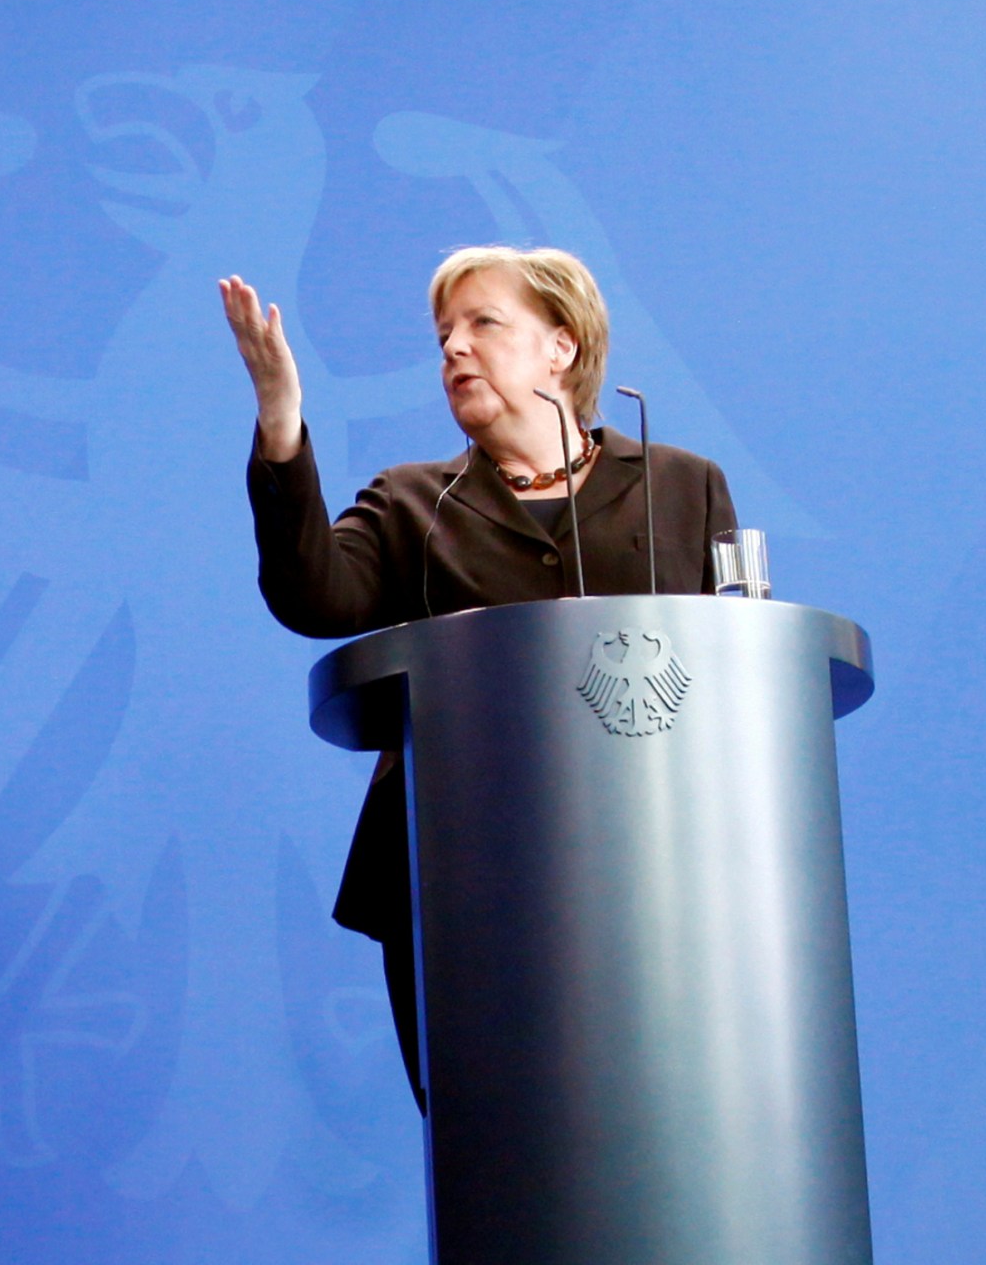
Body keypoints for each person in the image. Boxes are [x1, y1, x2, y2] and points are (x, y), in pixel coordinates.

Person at [221, 245, 735, 1111]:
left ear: (562, 346)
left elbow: (737, 674)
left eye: (483, 324)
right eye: (443, 336)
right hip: (457, 875)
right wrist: (281, 418)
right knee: (494, 1141)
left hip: (657, 869)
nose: (454, 348)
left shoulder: (683, 487)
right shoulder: (412, 502)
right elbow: (313, 595)